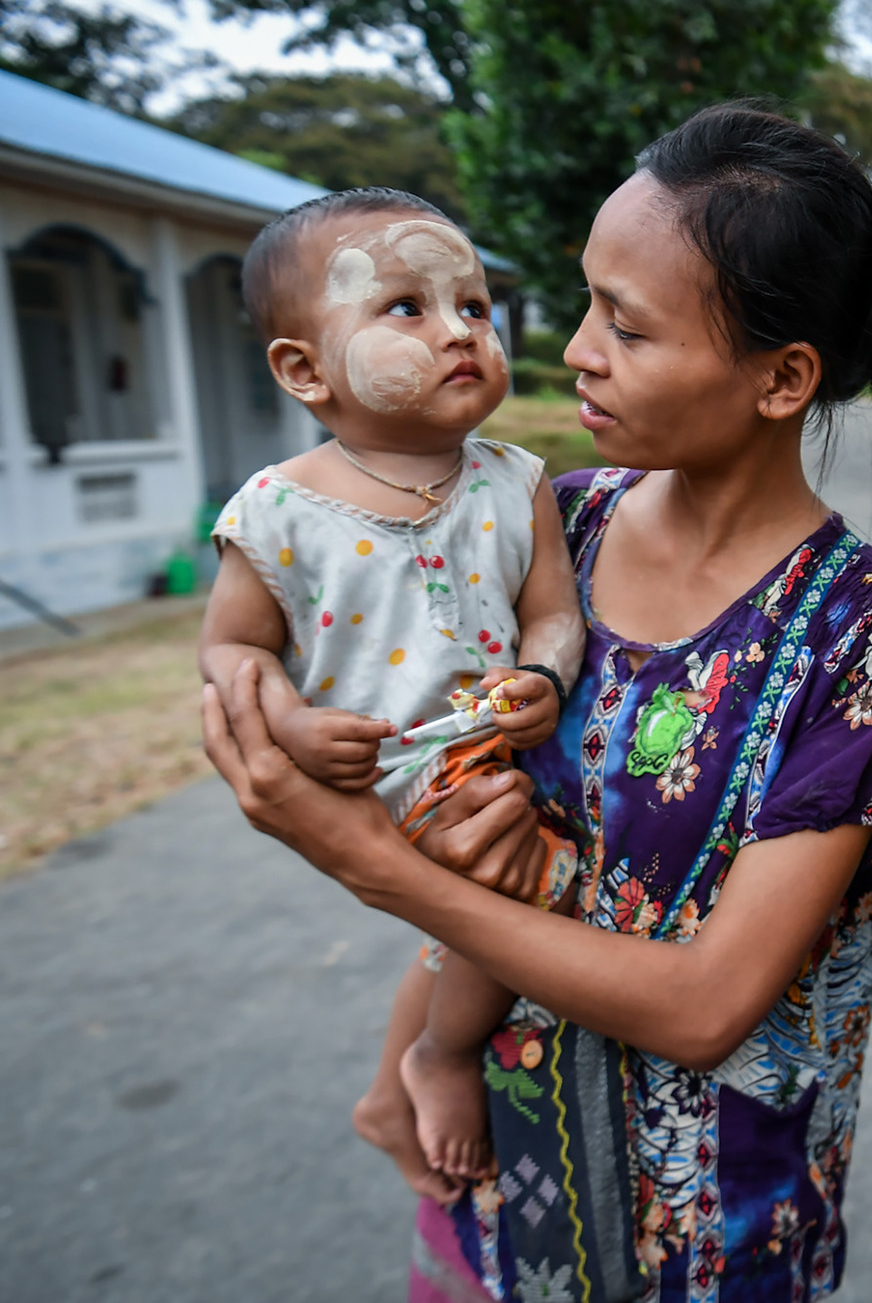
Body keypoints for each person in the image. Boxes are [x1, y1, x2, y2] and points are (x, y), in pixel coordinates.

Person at [199, 104, 872, 1301]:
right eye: (584, 303)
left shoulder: (867, 635)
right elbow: (456, 814)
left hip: (721, 1239)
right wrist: (404, 1056)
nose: (574, 349)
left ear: (781, 379)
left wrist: (367, 861)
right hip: (503, 1166)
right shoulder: (550, 523)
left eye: (626, 324)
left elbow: (711, 1001)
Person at [196, 187, 585, 1199]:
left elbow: (552, 612)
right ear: (303, 369)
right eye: (405, 307)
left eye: (475, 305)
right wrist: (288, 718)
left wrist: (544, 674)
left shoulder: (514, 480)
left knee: (471, 901)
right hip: (379, 764)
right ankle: (440, 1058)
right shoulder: (280, 511)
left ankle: (387, 1087)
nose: (459, 330)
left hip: (495, 747)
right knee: (516, 890)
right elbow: (232, 648)